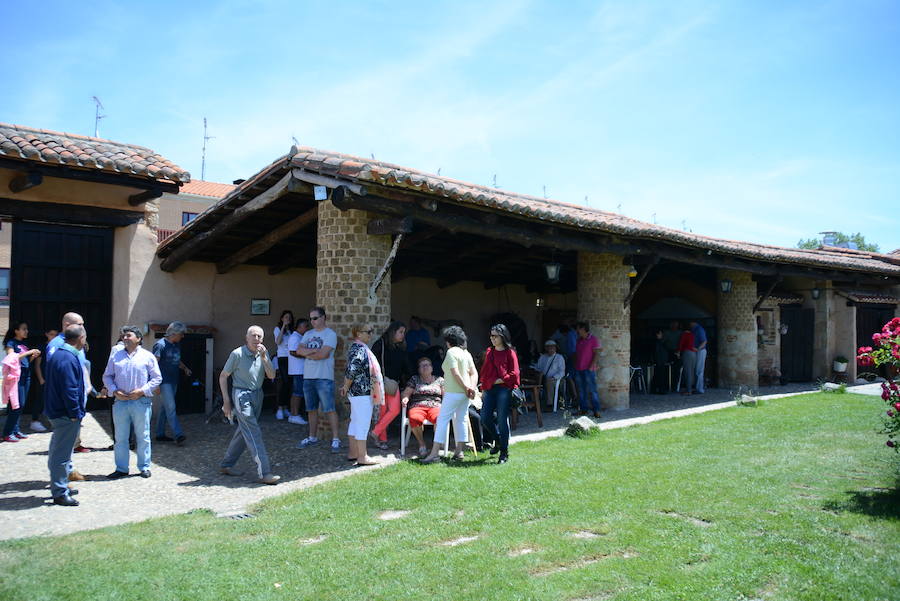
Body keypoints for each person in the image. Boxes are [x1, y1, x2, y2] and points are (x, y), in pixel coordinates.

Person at [219, 326, 280, 484]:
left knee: (243, 431)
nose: (256, 339)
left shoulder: (262, 355)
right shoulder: (237, 354)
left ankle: (226, 464)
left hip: (257, 395)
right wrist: (226, 401)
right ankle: (264, 473)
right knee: (254, 433)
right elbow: (223, 376)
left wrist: (265, 357)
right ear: (246, 337)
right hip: (241, 396)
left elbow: (272, 375)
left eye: (259, 336)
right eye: (253, 335)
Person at [103, 325, 162, 479]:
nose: (125, 338)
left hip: (140, 402)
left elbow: (157, 378)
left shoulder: (147, 356)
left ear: (139, 338)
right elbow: (107, 376)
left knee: (143, 436)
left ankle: (144, 467)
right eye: (124, 336)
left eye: (128, 335)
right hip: (120, 402)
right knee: (120, 438)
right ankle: (121, 468)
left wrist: (142, 391)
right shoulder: (116, 356)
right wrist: (115, 391)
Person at [43, 324, 87, 507]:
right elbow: (70, 389)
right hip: (65, 414)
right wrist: (75, 413)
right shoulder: (68, 357)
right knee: (62, 454)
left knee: (57, 451)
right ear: (80, 338)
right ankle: (60, 492)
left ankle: (59, 485)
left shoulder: (59, 354)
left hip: (56, 411)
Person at [421, 326, 477, 464]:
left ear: (448, 341)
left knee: (442, 421)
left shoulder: (451, 352)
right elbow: (474, 372)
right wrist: (471, 388)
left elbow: (454, 372)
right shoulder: (466, 353)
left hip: (453, 392)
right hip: (465, 394)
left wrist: (465, 387)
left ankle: (434, 453)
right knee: (461, 419)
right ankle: (459, 451)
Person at [295, 306, 341, 453]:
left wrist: (307, 353)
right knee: (311, 409)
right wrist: (314, 351)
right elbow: (298, 350)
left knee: (329, 409)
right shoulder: (308, 334)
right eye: (311, 319)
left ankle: (335, 439)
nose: (312, 321)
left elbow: (324, 355)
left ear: (323, 318)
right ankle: (312, 437)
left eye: (315, 318)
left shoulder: (330, 334)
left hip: (324, 377)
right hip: (308, 376)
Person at [339, 324, 383, 466]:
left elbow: (351, 369)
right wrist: (345, 386)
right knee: (363, 424)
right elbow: (353, 369)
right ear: (358, 333)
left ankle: (353, 453)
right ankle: (362, 456)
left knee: (355, 421)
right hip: (362, 392)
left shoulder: (356, 347)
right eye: (368, 332)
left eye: (371, 331)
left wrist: (346, 387)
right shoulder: (359, 349)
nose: (371, 334)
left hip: (357, 392)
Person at [478, 324, 520, 464]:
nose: (492, 338)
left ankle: (504, 452)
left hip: (504, 389)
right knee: (484, 418)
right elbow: (484, 374)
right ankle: (497, 440)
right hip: (490, 389)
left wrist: (495, 381)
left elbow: (514, 375)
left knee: (502, 420)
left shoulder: (510, 353)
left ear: (502, 336)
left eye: (495, 336)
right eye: (491, 335)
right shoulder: (489, 352)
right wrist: (485, 387)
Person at [152, 321, 192, 445]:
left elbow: (176, 360)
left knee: (165, 408)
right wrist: (155, 384)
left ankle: (159, 434)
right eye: (181, 334)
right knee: (171, 407)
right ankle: (178, 434)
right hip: (164, 382)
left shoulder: (176, 345)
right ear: (174, 333)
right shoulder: (160, 345)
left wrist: (185, 368)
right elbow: (153, 365)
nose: (182, 336)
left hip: (173, 380)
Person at [370, 320, 408, 449]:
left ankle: (375, 432)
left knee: (394, 410)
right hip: (381, 382)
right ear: (393, 332)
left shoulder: (400, 347)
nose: (403, 335)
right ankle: (382, 440)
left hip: (393, 384)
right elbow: (372, 361)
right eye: (401, 332)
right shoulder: (380, 344)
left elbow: (404, 367)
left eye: (404, 332)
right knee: (382, 411)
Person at [2, 321, 41, 442]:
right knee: (15, 405)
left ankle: (16, 430)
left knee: (21, 404)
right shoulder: (11, 343)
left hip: (26, 375)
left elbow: (23, 362)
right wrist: (29, 352)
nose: (26, 331)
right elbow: (10, 358)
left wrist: (31, 357)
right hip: (16, 378)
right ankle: (7, 433)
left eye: (26, 329)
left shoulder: (23, 343)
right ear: (16, 331)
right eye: (24, 329)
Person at [401, 356, 445, 457]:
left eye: (427, 365)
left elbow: (446, 395)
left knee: (440, 418)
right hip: (418, 405)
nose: (425, 367)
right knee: (414, 418)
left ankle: (436, 445)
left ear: (432, 368)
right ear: (418, 369)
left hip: (435, 406)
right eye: (422, 366)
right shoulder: (414, 379)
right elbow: (406, 393)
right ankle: (422, 444)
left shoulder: (440, 380)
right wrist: (405, 398)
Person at [27, 327, 57, 433]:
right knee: (39, 399)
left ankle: (52, 421)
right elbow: (37, 364)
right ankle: (35, 421)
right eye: (51, 334)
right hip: (43, 378)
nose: (53, 336)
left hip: (54, 379)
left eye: (55, 334)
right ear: (46, 334)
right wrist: (41, 378)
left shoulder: (57, 347)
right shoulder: (43, 347)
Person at [574, 321, 602, 417]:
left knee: (592, 390)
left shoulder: (593, 339)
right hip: (579, 368)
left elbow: (597, 353)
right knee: (581, 391)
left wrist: (591, 366)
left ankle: (596, 410)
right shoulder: (579, 340)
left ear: (583, 329)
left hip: (589, 369)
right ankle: (583, 410)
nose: (577, 331)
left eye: (578, 329)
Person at [285, 318, 310, 425]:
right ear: (299, 327)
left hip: (301, 370)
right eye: (305, 326)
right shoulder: (294, 337)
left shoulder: (300, 337)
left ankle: (295, 414)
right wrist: (308, 354)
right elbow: (292, 352)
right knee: (297, 392)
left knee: (299, 392)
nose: (307, 328)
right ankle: (294, 415)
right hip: (297, 370)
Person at [273, 310, 294, 420]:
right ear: (282, 318)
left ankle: (286, 407)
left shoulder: (292, 331)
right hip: (283, 358)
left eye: (289, 317)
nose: (288, 319)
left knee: (290, 383)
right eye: (286, 317)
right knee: (285, 381)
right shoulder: (277, 329)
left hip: (292, 358)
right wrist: (283, 327)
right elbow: (278, 341)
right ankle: (280, 408)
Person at [535, 339, 566, 409]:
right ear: (546, 348)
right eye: (549, 347)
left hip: (557, 379)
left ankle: (550, 404)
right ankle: (535, 404)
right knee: (534, 380)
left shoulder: (559, 357)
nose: (551, 349)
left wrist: (554, 377)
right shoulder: (543, 357)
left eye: (553, 347)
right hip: (543, 378)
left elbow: (562, 372)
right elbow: (538, 367)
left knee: (549, 381)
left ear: (555, 348)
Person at [676, 324, 696, 396]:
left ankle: (688, 390)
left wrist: (678, 352)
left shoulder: (684, 334)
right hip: (693, 353)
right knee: (691, 371)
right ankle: (691, 388)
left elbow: (681, 344)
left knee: (687, 372)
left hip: (687, 353)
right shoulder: (692, 334)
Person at [690, 320, 708, 394]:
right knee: (697, 370)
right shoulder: (695, 330)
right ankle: (698, 388)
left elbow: (704, 341)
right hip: (698, 351)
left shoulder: (699, 329)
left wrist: (697, 349)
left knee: (699, 371)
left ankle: (699, 389)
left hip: (700, 351)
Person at [650, 329, 669, 394]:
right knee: (660, 376)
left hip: (660, 361)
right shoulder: (658, 342)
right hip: (660, 361)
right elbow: (657, 352)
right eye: (660, 334)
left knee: (658, 376)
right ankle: (660, 390)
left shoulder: (660, 342)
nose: (661, 335)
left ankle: (656, 389)